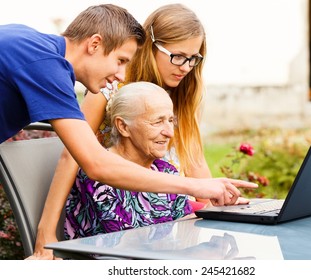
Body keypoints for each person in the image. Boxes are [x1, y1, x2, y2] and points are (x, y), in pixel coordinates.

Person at [26, 4, 257, 259]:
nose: (185, 67)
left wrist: (217, 199)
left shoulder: (181, 95)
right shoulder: (109, 85)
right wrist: (46, 234)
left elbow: (195, 162)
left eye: (193, 59)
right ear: (151, 47)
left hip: (162, 215)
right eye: (177, 56)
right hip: (113, 212)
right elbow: (72, 156)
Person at [65, 82, 195, 239]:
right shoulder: (99, 176)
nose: (169, 133)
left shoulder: (166, 171)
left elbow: (183, 230)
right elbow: (127, 246)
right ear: (123, 127)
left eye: (170, 121)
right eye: (157, 122)